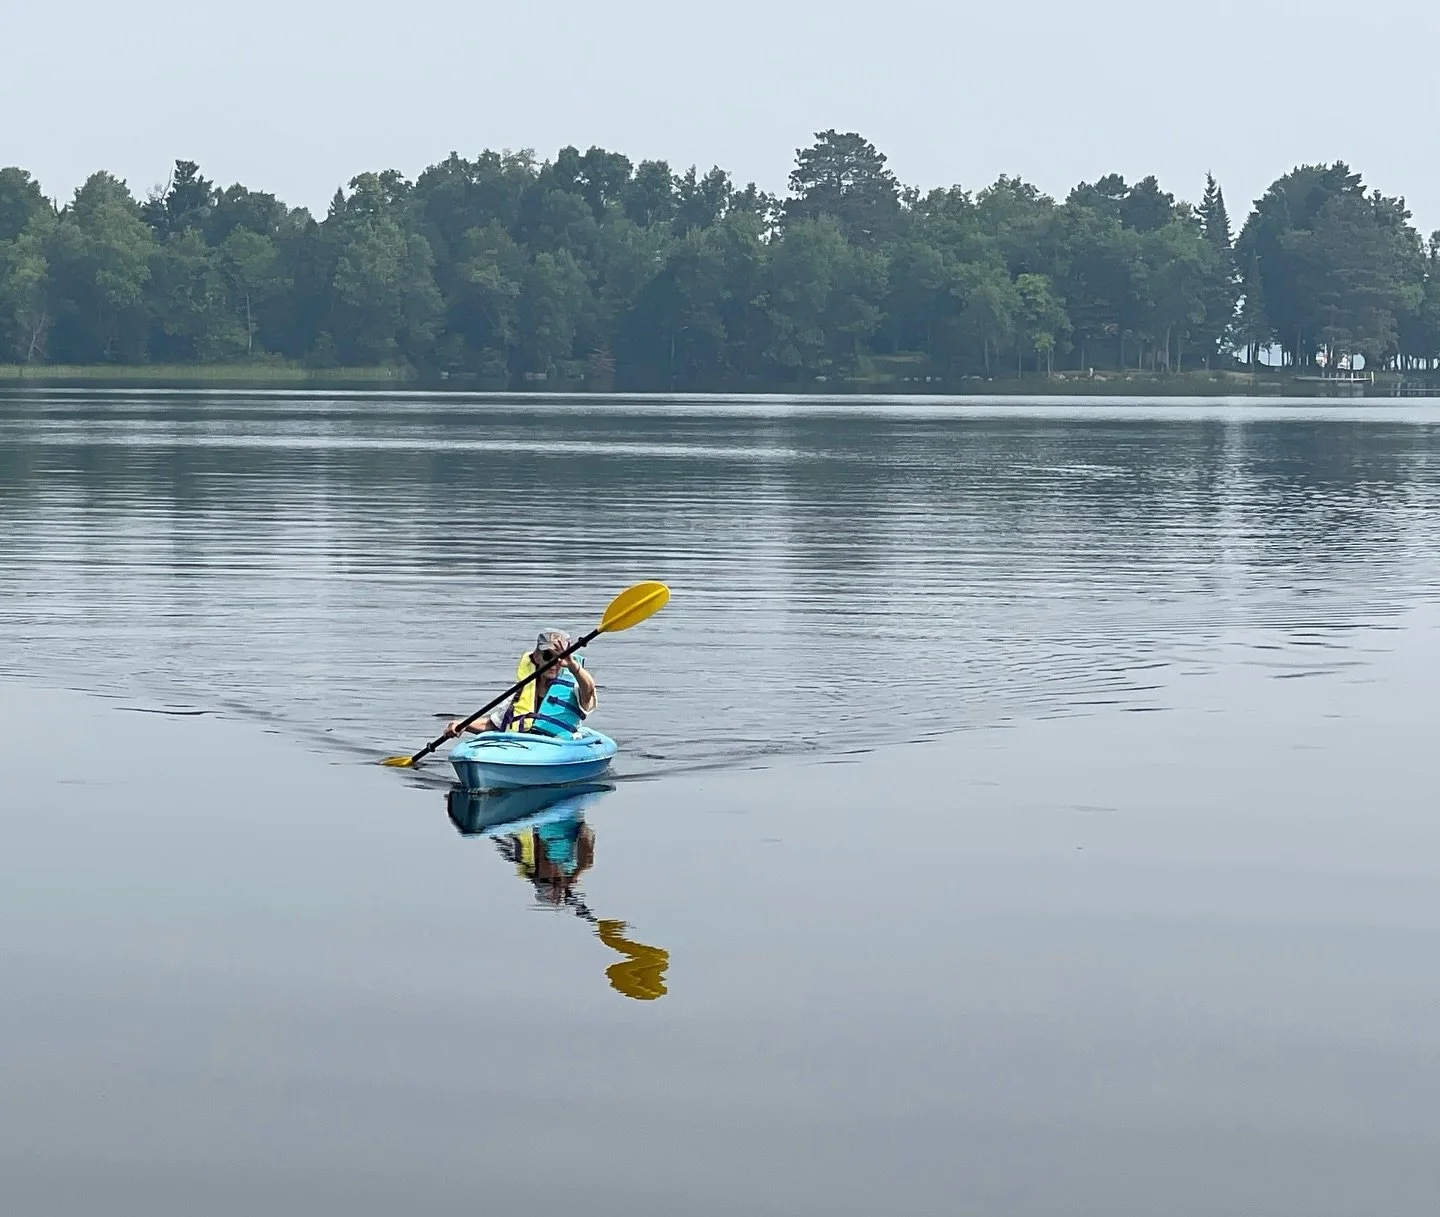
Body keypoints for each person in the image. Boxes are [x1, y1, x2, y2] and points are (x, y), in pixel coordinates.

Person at [446, 629, 597, 739]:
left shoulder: (574, 689)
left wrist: (572, 665)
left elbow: (589, 690)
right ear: (536, 657)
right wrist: (463, 725)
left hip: (557, 747)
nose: (553, 663)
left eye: (559, 658)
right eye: (547, 655)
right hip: (522, 747)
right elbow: (494, 724)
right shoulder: (521, 690)